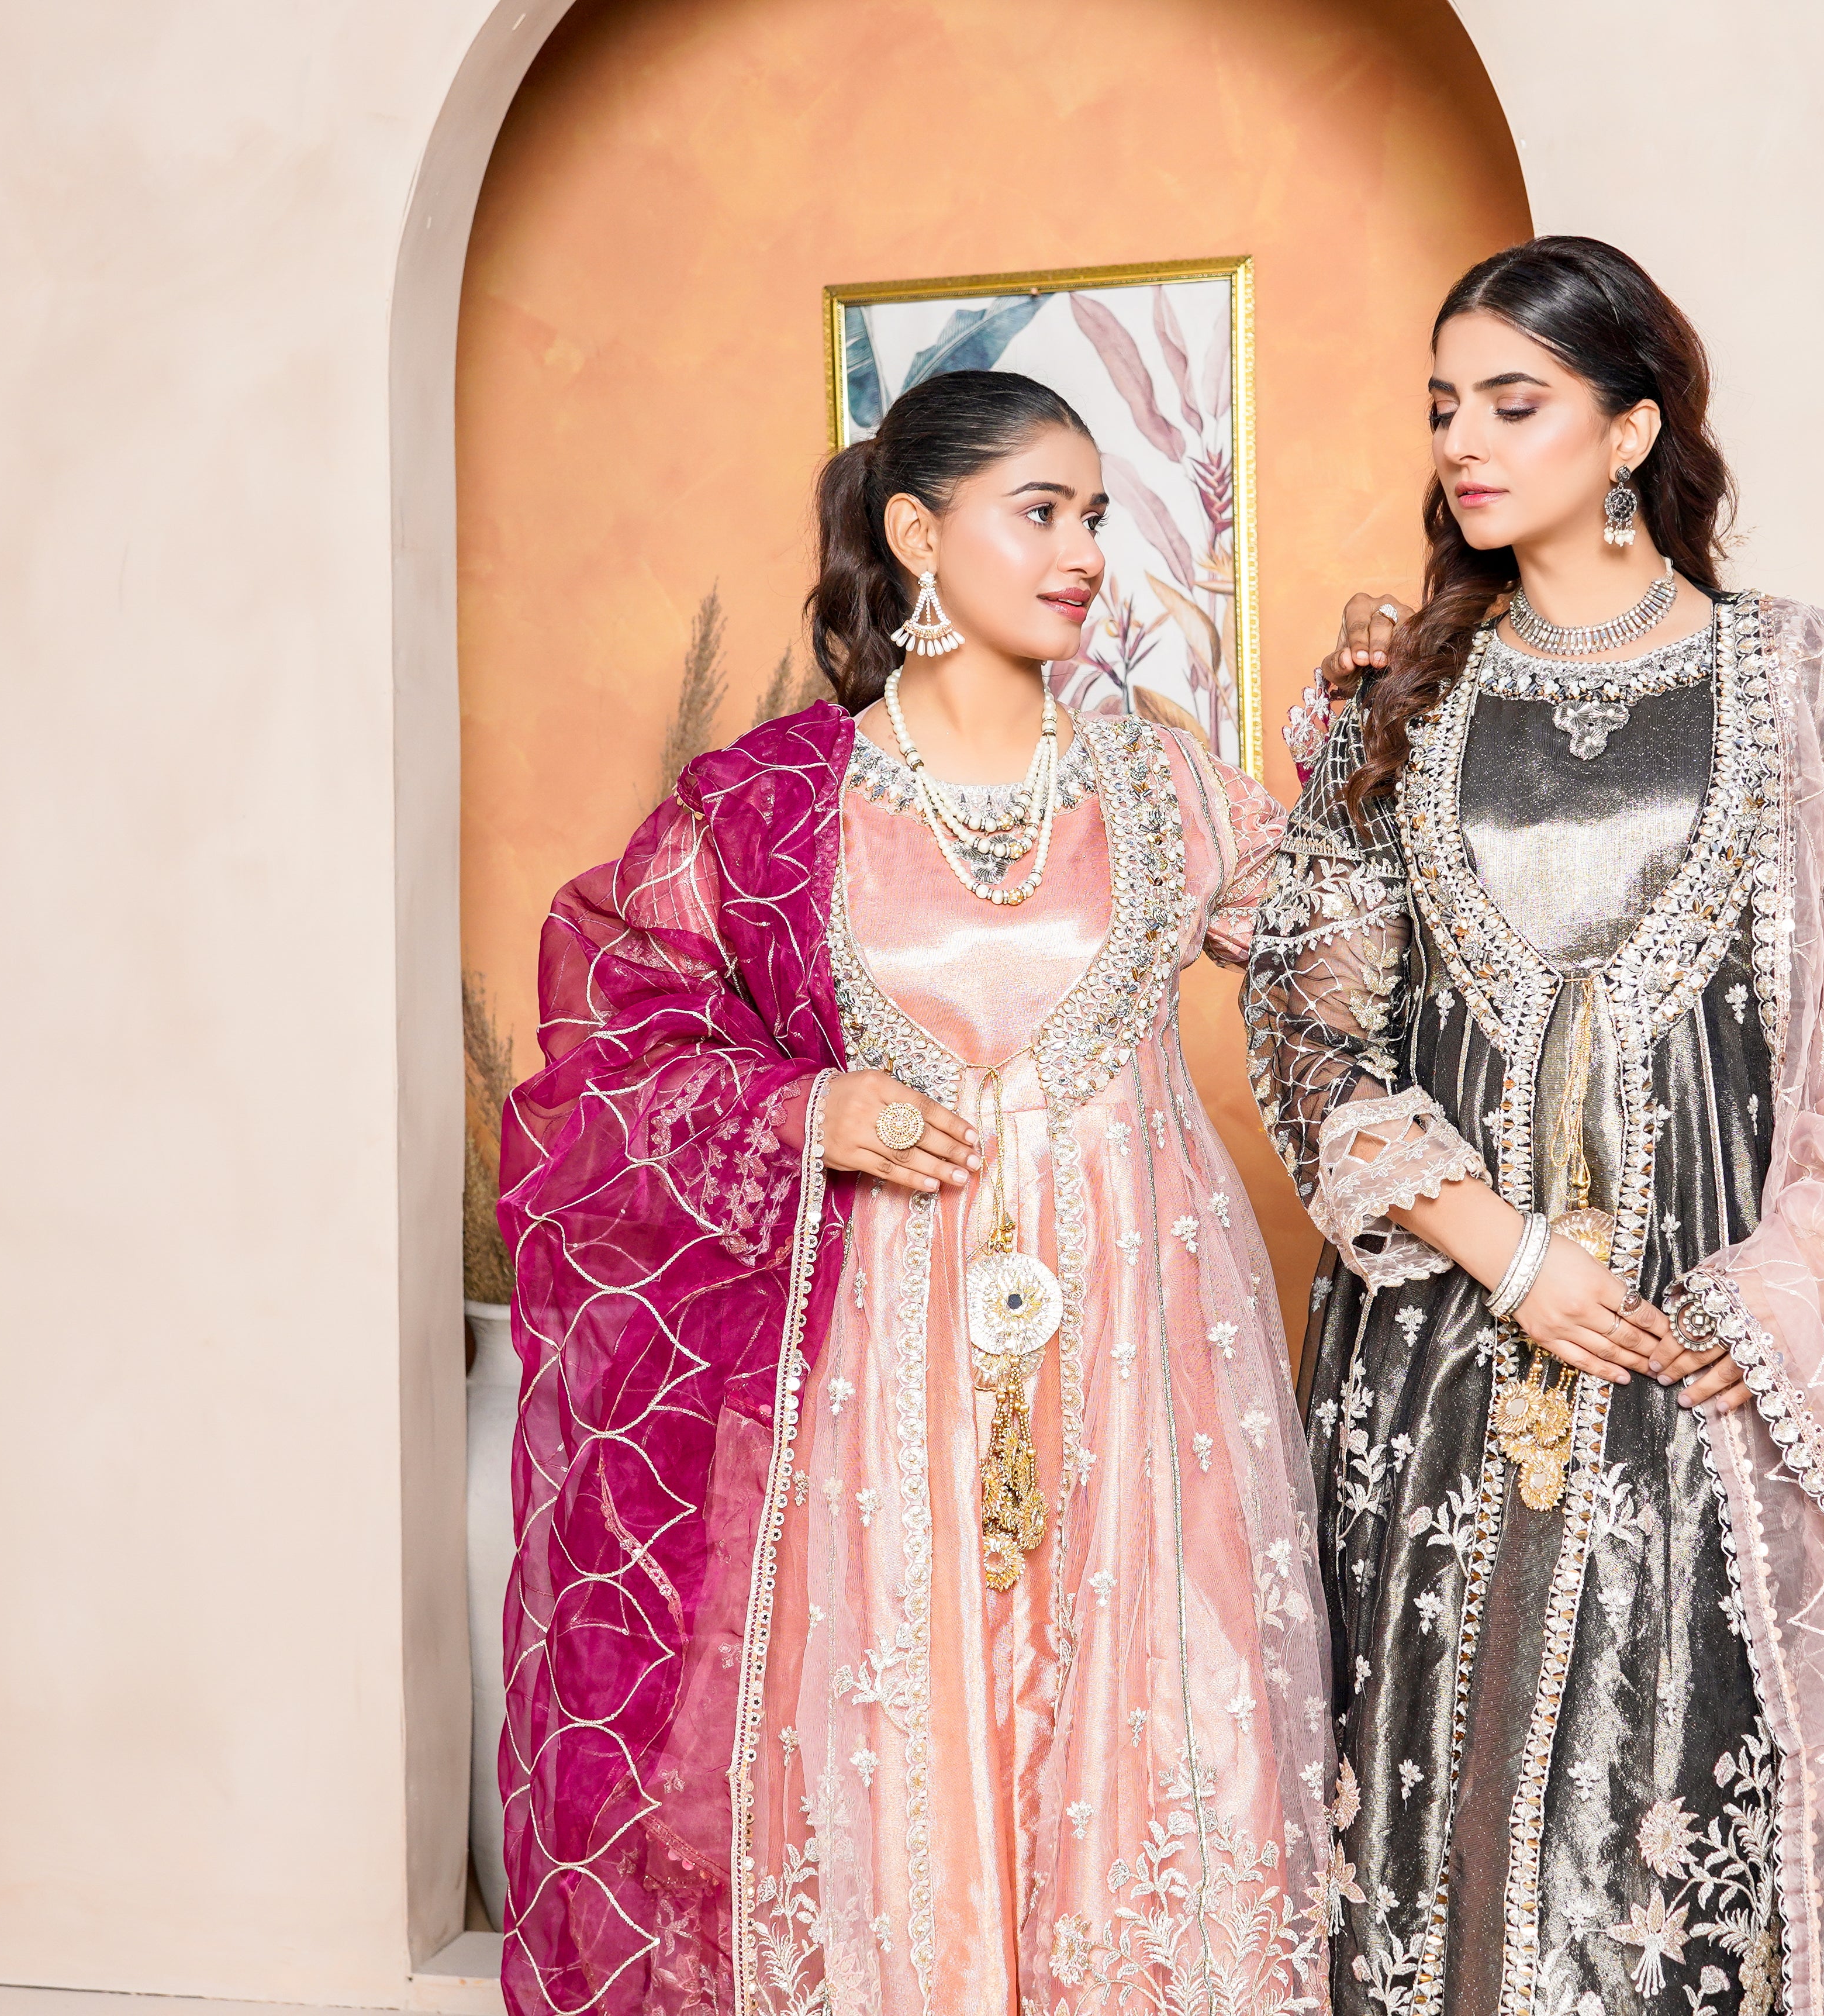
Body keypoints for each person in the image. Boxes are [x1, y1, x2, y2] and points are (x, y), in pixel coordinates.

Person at [1245, 237, 1824, 2016]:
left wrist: (1772, 1303)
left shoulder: (1809, 686)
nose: (1464, 443)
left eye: (1514, 404)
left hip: (1708, 1368)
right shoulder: (1395, 701)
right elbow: (1307, 1022)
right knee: (1428, 1842)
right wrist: (1505, 1254)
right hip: (1438, 1369)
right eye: (1445, 409)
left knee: (1676, 1841)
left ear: (1632, 431)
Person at [496, 371, 1336, 2016]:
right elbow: (608, 1051)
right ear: (916, 533)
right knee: (905, 1701)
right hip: (885, 1365)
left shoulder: (1163, 788)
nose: (1085, 551)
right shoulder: (774, 808)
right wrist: (806, 1110)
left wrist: (1376, 727)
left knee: (1143, 1703)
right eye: (1043, 512)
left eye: (1097, 516)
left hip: (1140, 1362)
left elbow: (1355, 950)